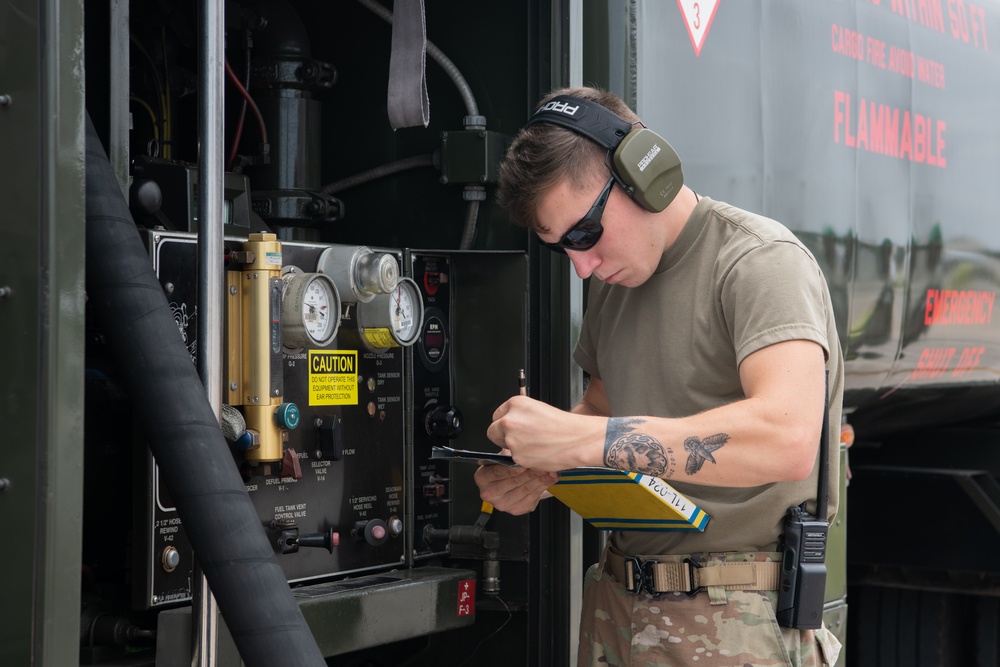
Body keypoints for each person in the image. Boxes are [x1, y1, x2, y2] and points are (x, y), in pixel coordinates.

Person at [476, 86, 844, 667]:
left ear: (641, 175)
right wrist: (539, 465)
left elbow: (789, 436)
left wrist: (583, 440)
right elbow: (602, 407)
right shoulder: (612, 286)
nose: (582, 265)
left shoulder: (758, 262)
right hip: (617, 609)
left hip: (734, 620)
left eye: (583, 234)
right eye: (560, 250)